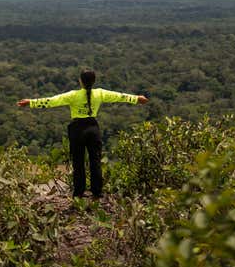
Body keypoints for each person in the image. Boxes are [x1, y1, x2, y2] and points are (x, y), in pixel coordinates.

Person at [18, 69, 148, 198]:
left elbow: (51, 101)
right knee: (95, 161)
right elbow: (120, 96)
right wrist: (137, 99)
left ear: (80, 81)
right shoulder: (100, 93)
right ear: (94, 81)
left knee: (78, 162)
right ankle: (97, 192)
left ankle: (79, 193)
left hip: (77, 129)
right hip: (93, 128)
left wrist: (31, 102)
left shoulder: (73, 95)